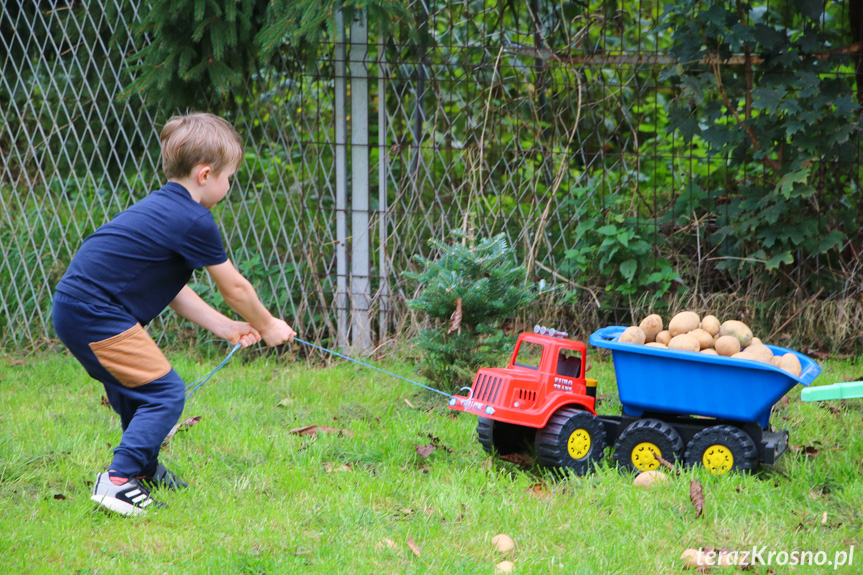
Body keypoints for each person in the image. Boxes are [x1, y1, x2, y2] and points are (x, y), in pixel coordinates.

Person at [52, 112, 296, 516]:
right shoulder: (194, 220)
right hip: (96, 311)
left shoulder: (164, 207)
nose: (229, 185)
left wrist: (226, 327)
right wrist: (268, 324)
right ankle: (117, 480)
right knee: (164, 392)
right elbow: (233, 286)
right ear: (204, 174)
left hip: (78, 307)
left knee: (137, 392)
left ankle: (144, 469)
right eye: (229, 177)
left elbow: (173, 289)